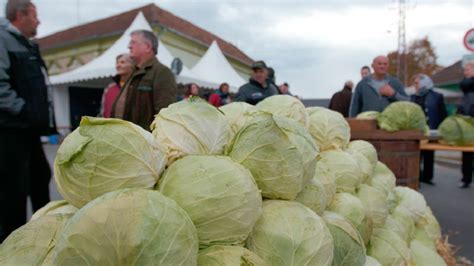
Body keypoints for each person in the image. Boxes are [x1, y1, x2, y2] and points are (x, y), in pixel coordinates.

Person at [0, 0, 56, 242]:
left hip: (29, 131)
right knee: (14, 189)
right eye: (35, 15)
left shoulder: (28, 45)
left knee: (40, 178)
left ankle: (43, 234)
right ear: (20, 15)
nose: (39, 21)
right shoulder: (3, 40)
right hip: (11, 130)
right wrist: (24, 110)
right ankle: (12, 242)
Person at [111, 30, 177, 130]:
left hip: (141, 142)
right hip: (125, 137)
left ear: (147, 47)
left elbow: (165, 116)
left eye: (133, 42)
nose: (129, 46)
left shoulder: (162, 72)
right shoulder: (134, 72)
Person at [410, 74, 447, 185]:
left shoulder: (437, 96)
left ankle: (428, 177)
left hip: (432, 130)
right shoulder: (412, 97)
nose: (415, 86)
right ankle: (417, 176)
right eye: (414, 83)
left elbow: (442, 113)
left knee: (429, 154)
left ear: (425, 83)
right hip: (417, 130)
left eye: (417, 83)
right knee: (417, 154)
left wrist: (441, 129)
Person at [99, 54, 135, 118]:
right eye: (117, 63)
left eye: (122, 62)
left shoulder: (138, 86)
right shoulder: (110, 88)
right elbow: (103, 112)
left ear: (132, 65)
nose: (118, 65)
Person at [458, 61, 474, 188]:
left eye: (468, 70)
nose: (465, 73)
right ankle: (466, 178)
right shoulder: (466, 84)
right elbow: (464, 84)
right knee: (467, 152)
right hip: (467, 119)